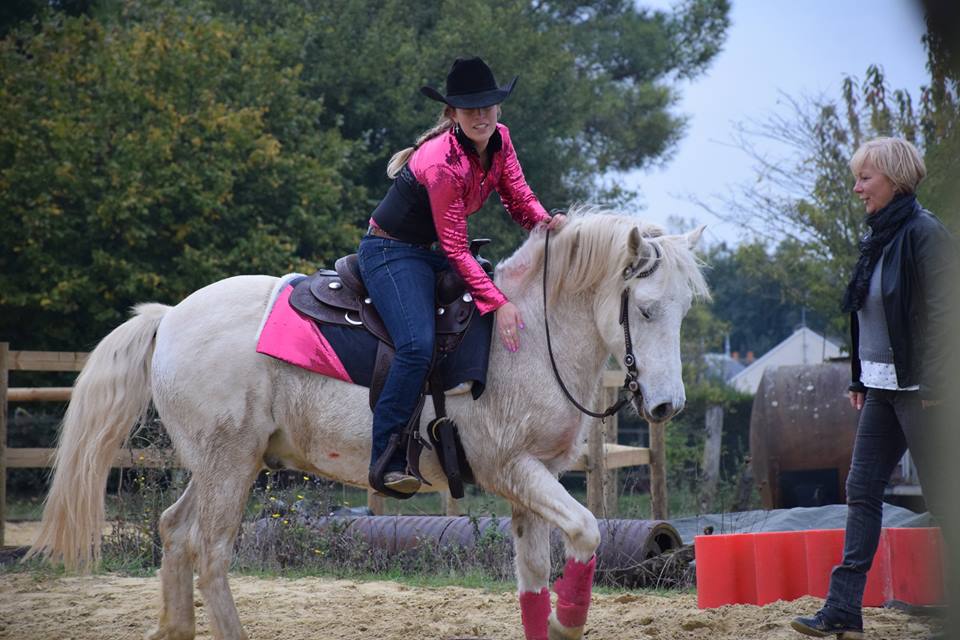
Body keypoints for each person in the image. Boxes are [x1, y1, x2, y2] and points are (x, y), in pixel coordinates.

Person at [358, 57, 566, 495]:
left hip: (428, 253)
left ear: (499, 110)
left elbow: (517, 196)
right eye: (470, 108)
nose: (481, 115)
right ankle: (387, 457)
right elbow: (455, 246)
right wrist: (500, 303)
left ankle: (474, 432)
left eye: (488, 106)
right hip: (390, 252)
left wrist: (548, 225)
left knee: (483, 300)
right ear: (452, 114)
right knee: (416, 346)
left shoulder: (501, 140)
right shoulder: (441, 162)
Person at [791, 137, 957, 638]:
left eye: (866, 177)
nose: (857, 187)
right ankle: (843, 609)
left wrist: (937, 381)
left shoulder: (926, 234)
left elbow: (946, 314)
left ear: (896, 180)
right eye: (858, 177)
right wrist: (861, 376)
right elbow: (868, 313)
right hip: (884, 388)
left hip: (924, 390)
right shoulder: (879, 236)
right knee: (861, 490)